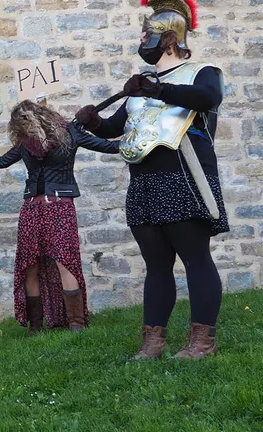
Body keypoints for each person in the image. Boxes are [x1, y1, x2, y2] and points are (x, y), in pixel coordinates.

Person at [75, 0, 228, 360]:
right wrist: (92, 121)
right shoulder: (143, 84)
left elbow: (207, 98)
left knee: (195, 259)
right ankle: (153, 343)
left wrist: (155, 90)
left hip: (184, 176)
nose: (142, 41)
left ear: (169, 39)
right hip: (143, 181)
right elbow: (117, 127)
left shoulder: (203, 71)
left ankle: (202, 342)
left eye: (147, 35)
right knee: (156, 265)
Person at [0, 100, 119, 335]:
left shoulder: (69, 133)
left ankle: (71, 323)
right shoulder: (33, 141)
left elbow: (105, 146)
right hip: (40, 207)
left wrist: (137, 143)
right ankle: (45, 326)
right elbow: (4, 161)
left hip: (53, 207)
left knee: (58, 262)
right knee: (36, 265)